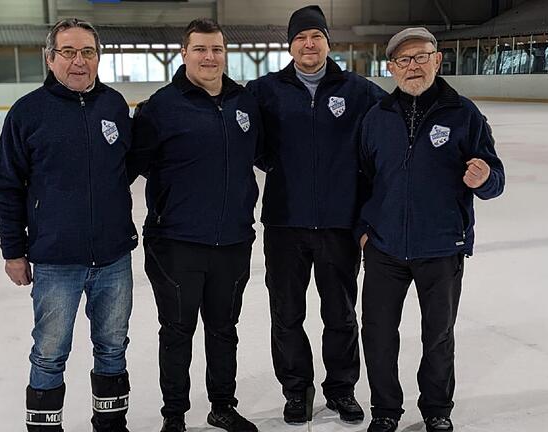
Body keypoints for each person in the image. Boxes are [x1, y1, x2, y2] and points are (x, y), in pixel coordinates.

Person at [0, 18, 136, 432]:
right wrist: (13, 251)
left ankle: (110, 426)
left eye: (87, 52)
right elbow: (6, 184)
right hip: (56, 260)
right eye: (68, 52)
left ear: (98, 58)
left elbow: (124, 168)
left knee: (112, 348)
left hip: (112, 258)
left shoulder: (113, 105)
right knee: (50, 352)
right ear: (50, 58)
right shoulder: (28, 112)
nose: (78, 61)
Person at [356, 28, 505, 432]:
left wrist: (485, 178)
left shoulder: (464, 114)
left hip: (441, 247)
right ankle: (385, 410)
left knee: (438, 335)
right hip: (385, 248)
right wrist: (365, 231)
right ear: (391, 68)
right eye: (403, 60)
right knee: (379, 334)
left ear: (437, 61)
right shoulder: (376, 118)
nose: (413, 66)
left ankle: (437, 408)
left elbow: (496, 178)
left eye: (421, 57)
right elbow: (363, 180)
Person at [245, 4, 386, 425]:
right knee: (286, 312)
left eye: (317, 36)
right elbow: (241, 134)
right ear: (290, 45)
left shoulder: (359, 91)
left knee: (340, 313)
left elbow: (394, 126)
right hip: (285, 222)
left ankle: (341, 390)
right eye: (301, 37)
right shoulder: (264, 90)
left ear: (328, 41)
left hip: (340, 224)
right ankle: (295, 390)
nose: (309, 44)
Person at [130, 18, 262, 432]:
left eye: (217, 49)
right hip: (176, 244)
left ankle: (222, 405)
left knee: (224, 330)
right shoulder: (159, 108)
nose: (210, 57)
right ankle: (174, 415)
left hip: (233, 241)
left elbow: (264, 157)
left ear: (226, 53)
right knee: (177, 332)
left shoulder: (244, 103)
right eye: (201, 49)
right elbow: (130, 169)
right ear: (184, 53)